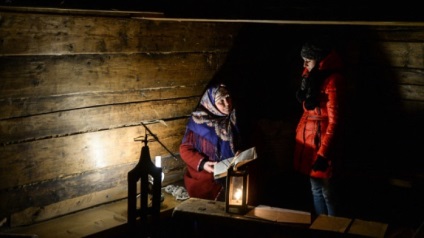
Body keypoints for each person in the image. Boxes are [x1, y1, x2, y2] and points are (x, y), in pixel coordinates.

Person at [294, 39, 345, 216]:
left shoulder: (332, 81)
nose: (304, 63)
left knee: (328, 192)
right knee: (315, 188)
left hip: (322, 142)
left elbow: (335, 121)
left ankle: (334, 228)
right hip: (310, 141)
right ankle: (320, 226)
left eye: (308, 59)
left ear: (319, 59)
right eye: (303, 59)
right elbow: (308, 112)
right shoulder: (309, 76)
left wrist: (323, 154)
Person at [180, 83, 242, 201]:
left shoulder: (233, 118)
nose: (227, 104)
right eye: (221, 102)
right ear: (211, 103)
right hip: (208, 174)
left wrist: (239, 152)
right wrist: (203, 164)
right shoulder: (198, 121)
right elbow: (184, 149)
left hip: (231, 172)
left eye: (228, 98)